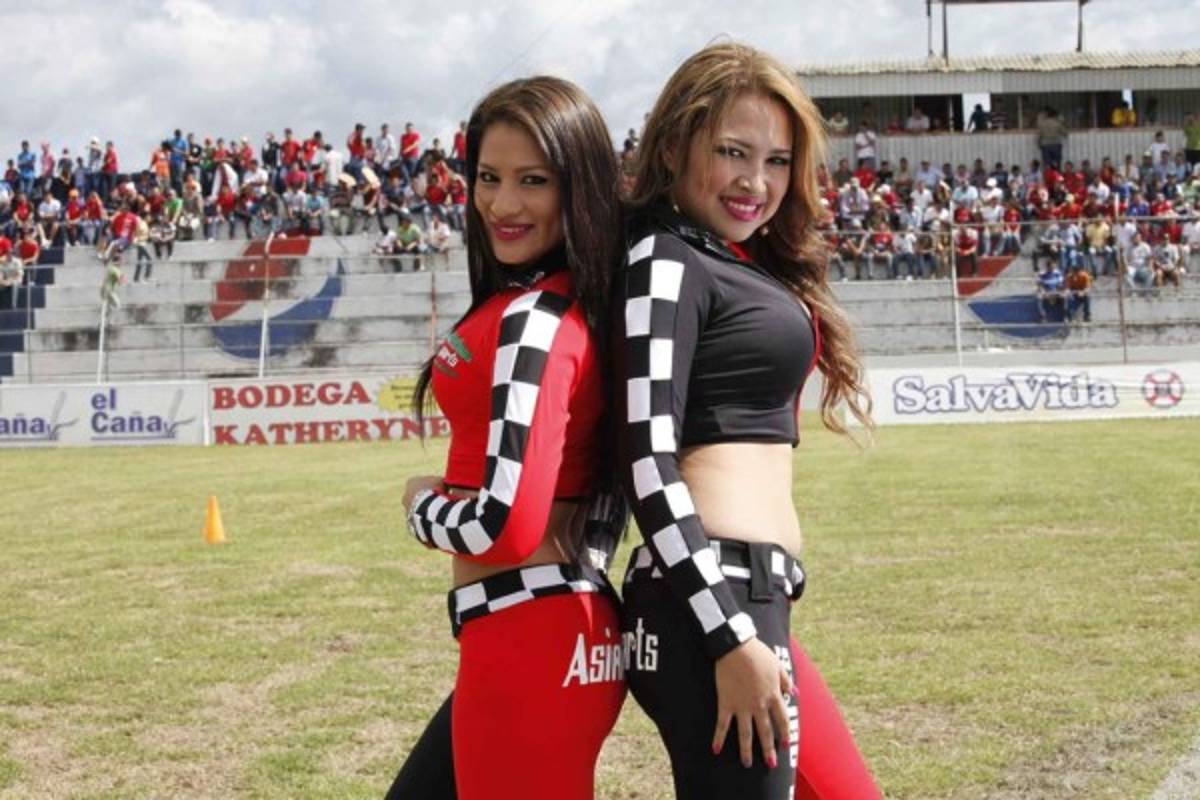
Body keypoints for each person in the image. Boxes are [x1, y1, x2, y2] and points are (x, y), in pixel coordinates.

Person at [615, 42, 880, 800]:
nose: (754, 182)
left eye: (776, 161)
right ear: (673, 146)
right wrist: (727, 632)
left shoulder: (729, 259)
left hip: (751, 596)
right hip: (712, 602)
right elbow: (647, 462)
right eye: (733, 152)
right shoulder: (666, 260)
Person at [386, 76, 627, 800]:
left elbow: (506, 523)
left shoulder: (537, 320)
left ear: (577, 189)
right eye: (488, 178)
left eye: (533, 181)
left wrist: (421, 507)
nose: (503, 204)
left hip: (531, 638)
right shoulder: (543, 302)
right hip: (538, 633)